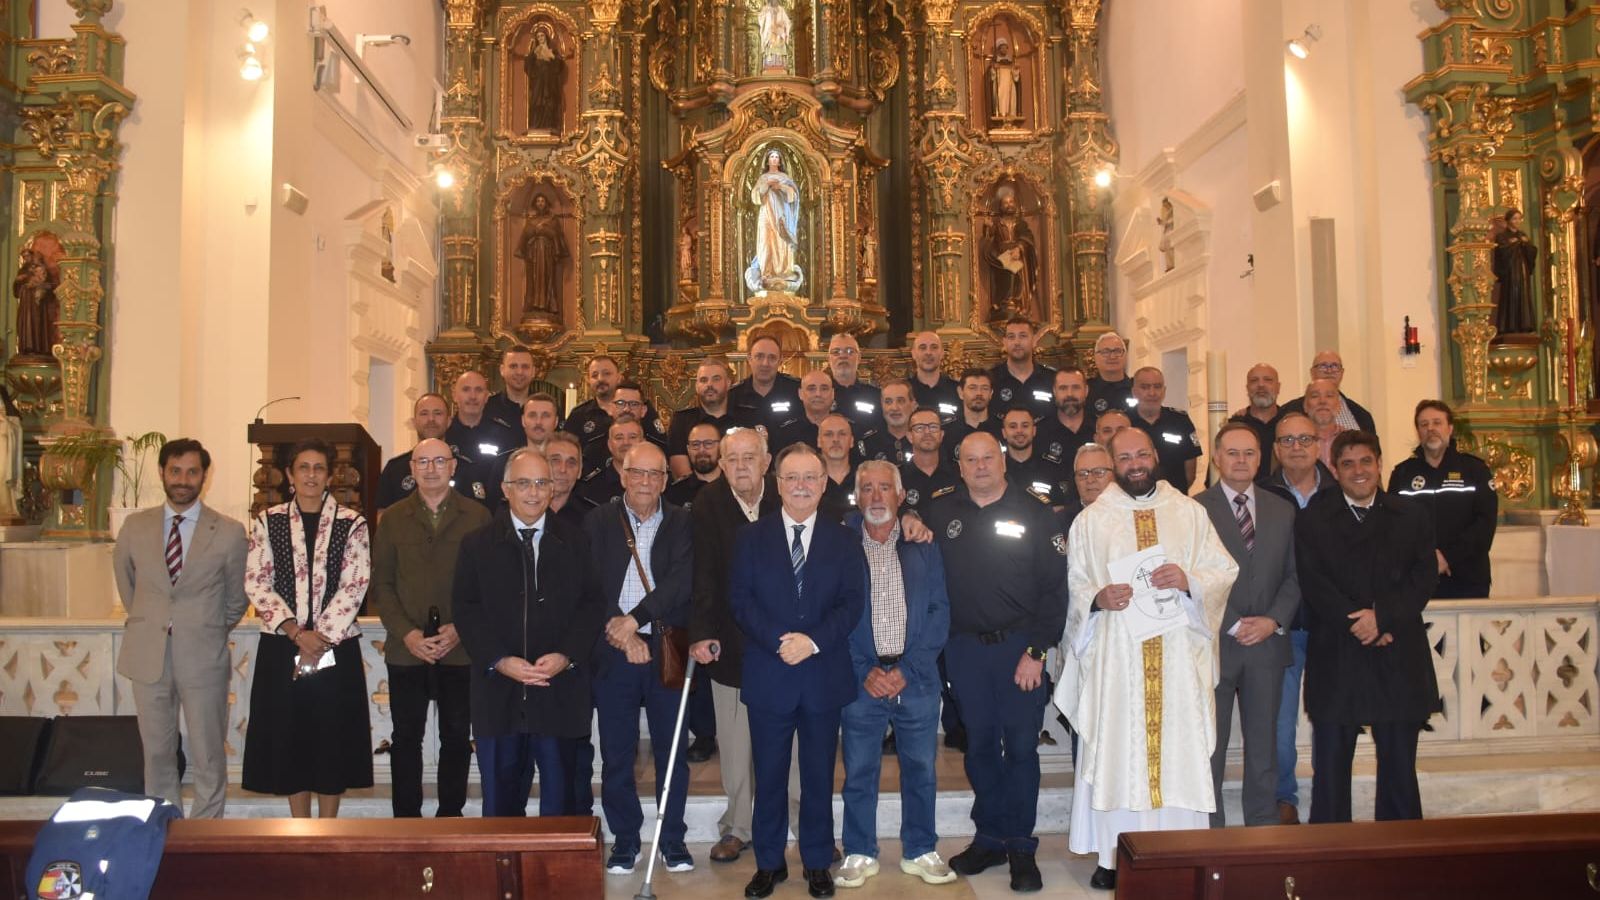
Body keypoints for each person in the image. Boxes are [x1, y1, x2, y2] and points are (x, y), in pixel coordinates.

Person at [1062, 428, 1238, 890]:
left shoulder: (1190, 514)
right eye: (1125, 457)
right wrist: (1097, 598)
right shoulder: (1092, 520)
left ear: (1156, 456)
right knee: (1119, 749)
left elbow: (1222, 572)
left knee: (1176, 750)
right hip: (1116, 664)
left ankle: (1180, 851)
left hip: (1178, 662)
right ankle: (1112, 856)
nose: (1135, 463)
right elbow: (1076, 587)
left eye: (1142, 454)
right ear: (1112, 464)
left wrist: (1189, 579)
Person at [925, 432, 1068, 893]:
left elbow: (1054, 590)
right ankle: (989, 837)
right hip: (964, 651)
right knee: (981, 746)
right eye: (972, 460)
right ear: (960, 466)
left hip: (1020, 650)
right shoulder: (942, 511)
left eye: (989, 458)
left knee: (1022, 748)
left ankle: (1021, 848)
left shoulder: (1035, 512)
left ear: (1002, 461)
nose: (981, 466)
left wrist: (1038, 651)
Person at [732, 443, 868, 899]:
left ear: (824, 483)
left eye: (810, 477)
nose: (801, 486)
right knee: (767, 777)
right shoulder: (751, 537)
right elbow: (741, 601)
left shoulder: (845, 540)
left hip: (821, 674)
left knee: (817, 777)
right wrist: (780, 642)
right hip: (770, 673)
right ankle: (769, 864)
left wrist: (811, 642)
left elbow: (852, 603)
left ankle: (815, 861)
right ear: (777, 483)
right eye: (791, 477)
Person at [1296, 431, 1439, 824]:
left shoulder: (1410, 515)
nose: (1358, 471)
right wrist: (1359, 623)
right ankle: (1330, 851)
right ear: (1335, 470)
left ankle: (1401, 851)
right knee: (1331, 766)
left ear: (1379, 464)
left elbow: (1424, 576)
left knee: (1398, 766)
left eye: (1366, 462)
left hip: (1397, 651)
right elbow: (1313, 581)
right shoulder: (1314, 518)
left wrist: (1384, 618)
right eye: (1348, 464)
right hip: (1339, 650)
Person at [454, 448, 604, 817]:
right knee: (501, 805)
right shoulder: (476, 545)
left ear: (552, 488)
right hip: (498, 692)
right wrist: (501, 660)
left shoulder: (576, 541)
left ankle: (554, 875)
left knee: (561, 801)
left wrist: (566, 655)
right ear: (506, 489)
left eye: (541, 483)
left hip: (559, 690)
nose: (533, 492)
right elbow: (466, 610)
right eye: (523, 483)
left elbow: (592, 605)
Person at [835, 461, 957, 889]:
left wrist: (908, 668)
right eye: (866, 489)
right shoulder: (840, 544)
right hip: (861, 679)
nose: (875, 497)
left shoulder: (922, 543)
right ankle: (859, 851)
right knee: (860, 771)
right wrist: (863, 669)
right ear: (856, 497)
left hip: (916, 679)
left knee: (921, 768)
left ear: (901, 496)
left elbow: (940, 611)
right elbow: (833, 614)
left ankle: (920, 849)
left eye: (884, 488)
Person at [113, 438, 248, 819]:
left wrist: (205, 628)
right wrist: (150, 620)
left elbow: (236, 598)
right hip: (148, 652)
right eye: (175, 471)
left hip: (203, 654)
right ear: (162, 473)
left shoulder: (228, 531)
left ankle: (206, 833)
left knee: (207, 750)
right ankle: (162, 826)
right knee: (156, 750)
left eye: (192, 471)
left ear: (204, 476)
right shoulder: (134, 527)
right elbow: (128, 585)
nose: (183, 479)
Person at [242, 439, 375, 817]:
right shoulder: (269, 521)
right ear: (289, 475)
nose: (311, 475)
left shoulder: (353, 523)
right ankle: (300, 825)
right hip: (284, 644)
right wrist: (298, 634)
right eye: (304, 467)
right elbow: (256, 580)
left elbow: (356, 582)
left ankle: (328, 827)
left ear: (330, 475)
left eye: (319, 468)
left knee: (330, 735)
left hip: (335, 645)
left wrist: (320, 638)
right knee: (291, 735)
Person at [584, 443, 696, 875]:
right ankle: (625, 841)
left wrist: (636, 620)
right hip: (614, 652)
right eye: (638, 473)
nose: (646, 482)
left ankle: (672, 840)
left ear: (666, 479)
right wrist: (621, 630)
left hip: (667, 648)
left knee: (673, 754)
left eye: (655, 474)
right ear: (623, 474)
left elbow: (681, 581)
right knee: (617, 753)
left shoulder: (683, 521)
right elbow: (590, 585)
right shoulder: (597, 521)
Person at [369, 437, 491, 818]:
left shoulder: (477, 516)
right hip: (408, 648)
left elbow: (487, 584)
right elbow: (382, 584)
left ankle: (450, 815)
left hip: (460, 647)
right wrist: (408, 633)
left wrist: (460, 628)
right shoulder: (393, 518)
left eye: (440, 460)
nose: (431, 468)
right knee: (407, 737)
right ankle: (406, 818)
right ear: (412, 469)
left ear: (453, 467)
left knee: (456, 736)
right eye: (423, 461)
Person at [1195, 423, 1300, 827]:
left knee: (1264, 744)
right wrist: (1234, 622)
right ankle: (1210, 825)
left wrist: (1273, 620)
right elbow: (1192, 576)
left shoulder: (1282, 509)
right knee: (1212, 744)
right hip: (1217, 641)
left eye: (1250, 453)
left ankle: (1262, 823)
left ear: (1262, 458)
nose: (1241, 461)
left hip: (1267, 643)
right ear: (1217, 458)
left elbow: (1294, 575)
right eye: (1233, 453)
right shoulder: (1196, 510)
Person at [690, 428, 781, 864]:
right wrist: (703, 631)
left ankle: (801, 823)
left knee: (795, 747)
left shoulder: (788, 495)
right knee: (736, 742)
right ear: (721, 464)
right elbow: (702, 574)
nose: (741, 466)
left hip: (787, 646)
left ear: (766, 462)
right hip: (731, 644)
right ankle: (738, 826)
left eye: (750, 457)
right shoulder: (708, 505)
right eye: (732, 459)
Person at [1259, 411, 1338, 825]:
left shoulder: (1340, 490)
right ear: (1275, 448)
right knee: (1279, 723)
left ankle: (1330, 798)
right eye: (1287, 441)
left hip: (1330, 626)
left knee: (1332, 719)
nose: (1296, 448)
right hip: (1282, 626)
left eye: (1304, 439)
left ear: (1319, 443)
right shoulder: (1262, 494)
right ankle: (1284, 796)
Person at [1388, 400, 1498, 599]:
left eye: (1437, 422)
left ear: (1450, 428)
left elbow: (1485, 524)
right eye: (1424, 424)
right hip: (1417, 580)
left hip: (1468, 578)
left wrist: (1447, 557)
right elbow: (1393, 526)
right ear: (1418, 432)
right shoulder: (1402, 473)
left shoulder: (1475, 471)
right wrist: (1427, 561)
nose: (1431, 429)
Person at [378, 393, 492, 509]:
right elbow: (381, 518)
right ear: (414, 422)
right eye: (424, 414)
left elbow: (479, 518)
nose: (431, 419)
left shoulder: (468, 469)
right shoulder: (395, 469)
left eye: (437, 413)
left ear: (449, 421)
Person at [669, 357, 754, 479]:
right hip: (695, 495)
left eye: (716, 379)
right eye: (703, 380)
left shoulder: (748, 417)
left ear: (728, 383)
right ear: (697, 386)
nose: (709, 385)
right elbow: (681, 473)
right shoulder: (682, 421)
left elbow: (756, 463)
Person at [446, 371, 520, 504]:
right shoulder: (444, 434)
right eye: (466, 390)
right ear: (454, 395)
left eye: (478, 390)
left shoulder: (504, 435)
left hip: (493, 510)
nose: (473, 396)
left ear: (486, 397)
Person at [1129, 366, 1202, 494]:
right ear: (1134, 391)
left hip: (1174, 499)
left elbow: (1190, 473)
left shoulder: (1180, 420)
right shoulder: (1125, 422)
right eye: (1145, 387)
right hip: (1133, 499)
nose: (1152, 393)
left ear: (1164, 390)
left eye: (1157, 387)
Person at [1278, 352, 1377, 435]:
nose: (1329, 371)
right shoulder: (1288, 411)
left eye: (1335, 366)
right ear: (1312, 372)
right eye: (1323, 366)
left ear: (1342, 373)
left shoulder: (1361, 415)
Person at [1001, 407, 1072, 507]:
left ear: (1034, 431)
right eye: (1013, 426)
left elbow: (1060, 508)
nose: (1019, 431)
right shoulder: (995, 468)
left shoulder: (1052, 468)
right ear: (1004, 433)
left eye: (1025, 426)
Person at [731, 334, 803, 432]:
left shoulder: (797, 391)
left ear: (780, 361)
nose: (765, 363)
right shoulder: (733, 395)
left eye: (772, 357)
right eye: (759, 356)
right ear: (749, 359)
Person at [988, 317, 1055, 422]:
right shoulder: (990, 379)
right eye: (1011, 337)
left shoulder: (1051, 379)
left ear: (1034, 340)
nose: (1017, 342)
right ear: (1004, 342)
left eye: (1023, 336)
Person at [1035, 366, 1096, 477]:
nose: (1069, 394)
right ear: (1054, 391)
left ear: (1086, 391)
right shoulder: (1039, 431)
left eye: (1076, 387)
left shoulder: (1100, 428)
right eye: (1063, 388)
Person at [900, 407, 960, 515]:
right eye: (919, 428)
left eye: (933, 427)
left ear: (941, 435)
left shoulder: (959, 472)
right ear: (909, 436)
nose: (927, 432)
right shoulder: (898, 477)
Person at [1229, 364, 1283, 485]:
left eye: (1268, 380)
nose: (1261, 385)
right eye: (1254, 381)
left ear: (1278, 387)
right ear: (1247, 388)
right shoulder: (1234, 427)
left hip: (1284, 497)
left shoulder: (1288, 424)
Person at [576, 414, 645, 506]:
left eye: (632, 437)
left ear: (643, 442)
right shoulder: (590, 486)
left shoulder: (657, 481)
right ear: (609, 445)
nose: (626, 443)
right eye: (619, 438)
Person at [828, 333, 884, 436]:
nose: (843, 356)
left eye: (850, 351)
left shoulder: (876, 396)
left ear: (859, 358)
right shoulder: (821, 395)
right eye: (836, 352)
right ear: (829, 359)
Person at [941, 368, 1001, 463]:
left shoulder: (1002, 428)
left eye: (984, 388)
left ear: (991, 393)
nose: (979, 393)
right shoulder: (946, 431)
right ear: (961, 392)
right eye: (972, 388)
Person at [770, 369, 836, 452]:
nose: (818, 394)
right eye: (811, 389)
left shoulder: (846, 430)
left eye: (824, 389)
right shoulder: (784, 433)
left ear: (833, 393)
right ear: (800, 394)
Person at [665, 421, 723, 509]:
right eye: (695, 444)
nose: (701, 450)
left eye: (708, 443)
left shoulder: (734, 486)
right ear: (688, 449)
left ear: (721, 447)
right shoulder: (674, 493)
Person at [546, 431, 597, 528]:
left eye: (571, 463)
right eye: (555, 461)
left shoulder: (592, 517)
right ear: (541, 465)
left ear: (579, 471)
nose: (563, 469)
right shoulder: (524, 509)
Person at [858, 379, 915, 464]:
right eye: (888, 402)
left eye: (900, 401)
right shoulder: (868, 443)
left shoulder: (923, 439)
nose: (894, 408)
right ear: (882, 405)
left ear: (913, 405)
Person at [909, 331, 961, 423]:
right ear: (913, 354)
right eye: (922, 348)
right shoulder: (904, 392)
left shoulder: (958, 391)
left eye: (934, 347)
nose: (928, 352)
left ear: (942, 353)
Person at [818, 413, 858, 522]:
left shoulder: (865, 480)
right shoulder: (808, 481)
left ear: (852, 441)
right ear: (818, 441)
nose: (835, 439)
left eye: (842, 434)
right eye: (828, 434)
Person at [486, 346, 539, 427]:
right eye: (513, 366)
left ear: (533, 371)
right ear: (502, 370)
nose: (519, 372)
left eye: (525, 367)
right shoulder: (486, 408)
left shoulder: (547, 408)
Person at [1302, 378, 1348, 470]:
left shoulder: (1351, 440)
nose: (1322, 401)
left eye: (1329, 396)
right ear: (1305, 406)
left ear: (1339, 405)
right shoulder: (1294, 443)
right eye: (1315, 396)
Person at [1086, 333, 1134, 416]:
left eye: (1117, 351)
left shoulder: (1137, 388)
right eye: (1105, 352)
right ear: (1095, 357)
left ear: (1125, 355)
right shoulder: (1085, 390)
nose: (1112, 356)